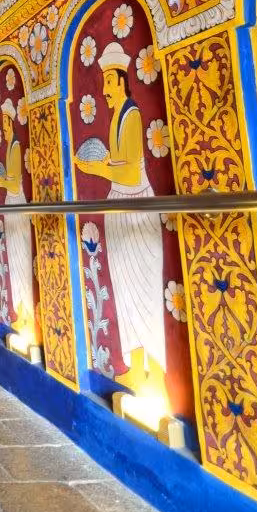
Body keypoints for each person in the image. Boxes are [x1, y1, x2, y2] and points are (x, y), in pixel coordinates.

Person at [73, 41, 166, 391]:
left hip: (135, 206)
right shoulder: (117, 116)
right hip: (119, 206)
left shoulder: (132, 115)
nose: (104, 90)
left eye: (108, 83)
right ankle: (135, 364)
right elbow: (118, 164)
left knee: (142, 288)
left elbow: (129, 172)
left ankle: (155, 373)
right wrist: (98, 166)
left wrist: (96, 169)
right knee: (124, 291)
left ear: (120, 79)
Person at [0, 100, 35, 343]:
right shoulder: (11, 145)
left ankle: (27, 316)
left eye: (5, 123)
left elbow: (14, 181)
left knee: (20, 256)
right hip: (11, 204)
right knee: (14, 255)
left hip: (16, 202)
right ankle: (22, 313)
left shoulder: (17, 146)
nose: (4, 127)